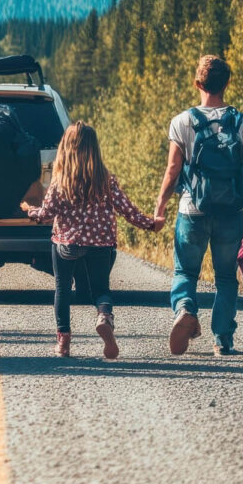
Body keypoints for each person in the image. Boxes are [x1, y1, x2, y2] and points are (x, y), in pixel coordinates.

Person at [152, 56, 243, 358]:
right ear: (226, 83)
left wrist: (161, 206)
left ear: (197, 84)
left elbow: (172, 170)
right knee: (227, 276)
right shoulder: (241, 123)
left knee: (186, 271)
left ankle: (185, 309)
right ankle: (223, 340)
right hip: (230, 212)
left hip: (192, 210)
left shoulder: (182, 121)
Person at [22, 121, 155, 359]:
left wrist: (30, 210)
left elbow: (46, 214)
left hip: (67, 245)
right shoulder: (106, 179)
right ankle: (104, 316)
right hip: (101, 245)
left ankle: (63, 342)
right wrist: (150, 223)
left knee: (62, 288)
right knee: (101, 289)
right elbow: (127, 210)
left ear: (66, 148)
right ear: (94, 149)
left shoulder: (61, 181)